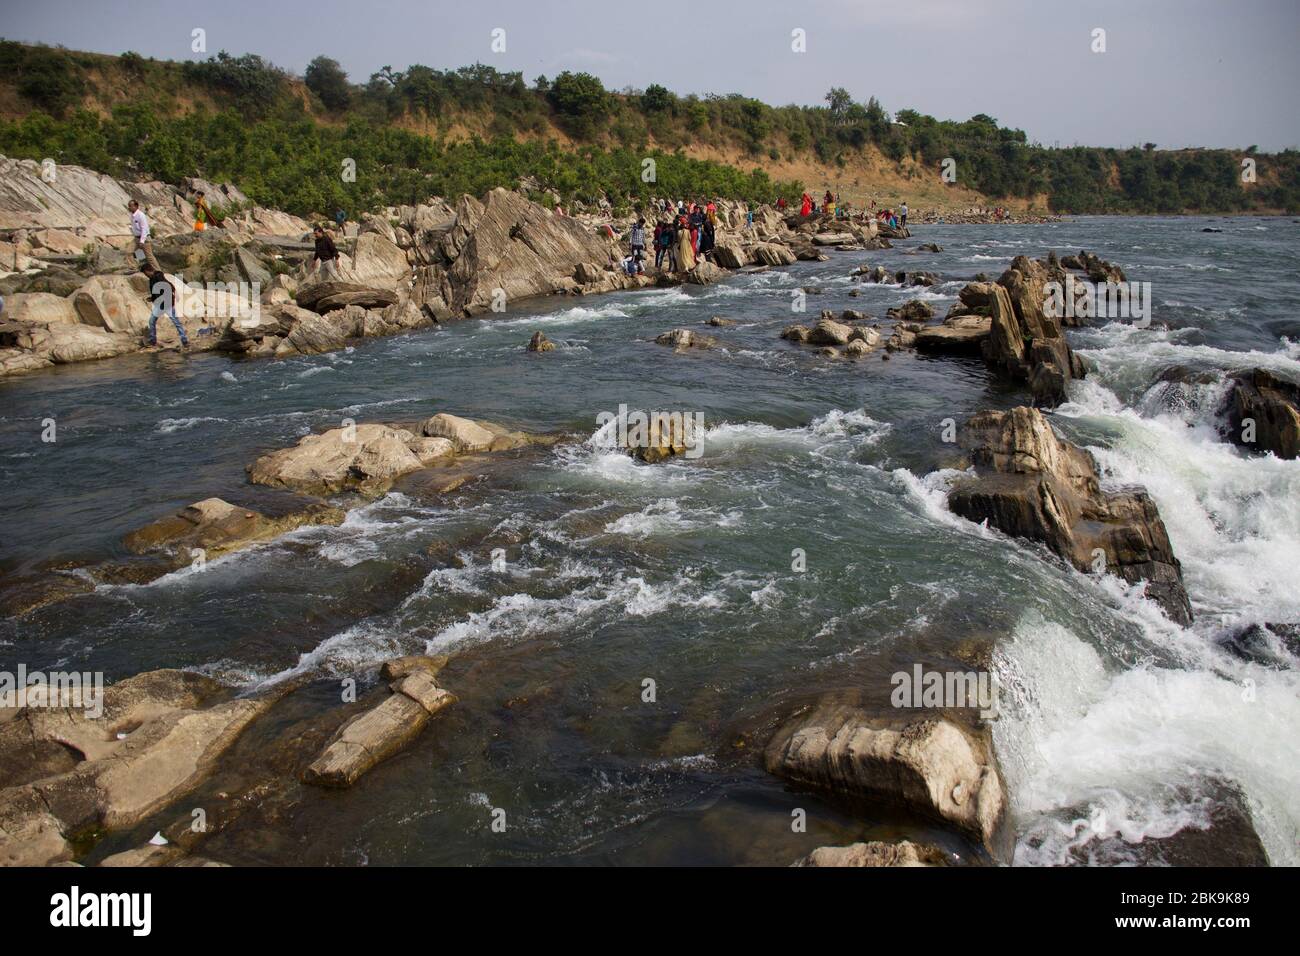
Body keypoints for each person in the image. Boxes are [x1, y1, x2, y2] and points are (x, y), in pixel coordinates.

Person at [141, 265, 189, 349]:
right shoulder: (152, 279)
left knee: (176, 322)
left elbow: (168, 287)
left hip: (167, 304)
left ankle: (184, 341)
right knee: (152, 321)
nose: (145, 275)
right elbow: (156, 292)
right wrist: (152, 298)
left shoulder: (159, 277)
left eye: (145, 273)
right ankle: (153, 341)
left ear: (148, 271)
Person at [127, 200, 161, 272]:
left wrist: (142, 241)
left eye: (131, 206)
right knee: (128, 251)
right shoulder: (132, 215)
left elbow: (144, 229)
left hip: (144, 238)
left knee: (149, 256)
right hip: (136, 238)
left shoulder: (141, 215)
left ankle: (158, 271)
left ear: (136, 206)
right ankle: (134, 268)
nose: (129, 207)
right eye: (129, 206)